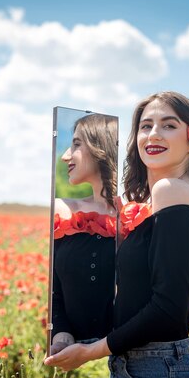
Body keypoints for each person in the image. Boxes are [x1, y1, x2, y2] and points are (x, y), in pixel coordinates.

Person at [45, 92, 189, 378]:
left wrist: (91, 351)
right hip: (140, 371)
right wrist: (65, 330)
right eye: (145, 126)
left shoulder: (172, 190)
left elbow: (168, 310)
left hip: (157, 375)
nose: (154, 134)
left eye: (169, 125)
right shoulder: (156, 200)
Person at [51, 113, 118, 354]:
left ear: (102, 146)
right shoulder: (62, 210)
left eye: (76, 144)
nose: (65, 156)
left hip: (125, 353)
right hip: (72, 352)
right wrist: (61, 334)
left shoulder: (137, 216)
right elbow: (53, 290)